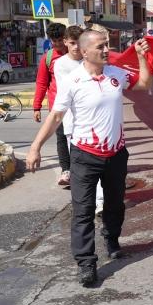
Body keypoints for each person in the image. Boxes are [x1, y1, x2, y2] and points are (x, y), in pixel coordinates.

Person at [26, 30, 152, 286]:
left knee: (115, 205)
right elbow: (56, 117)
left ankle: (112, 239)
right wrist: (35, 146)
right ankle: (86, 263)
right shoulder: (72, 81)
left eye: (107, 46)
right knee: (83, 211)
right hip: (84, 155)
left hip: (116, 154)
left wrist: (141, 57)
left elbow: (144, 84)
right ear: (84, 52)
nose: (106, 50)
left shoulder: (115, 73)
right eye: (100, 47)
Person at [54, 25, 105, 216]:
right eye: (72, 43)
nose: (75, 47)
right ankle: (83, 202)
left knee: (98, 166)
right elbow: (70, 95)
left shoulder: (93, 60)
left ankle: (100, 202)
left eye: (78, 43)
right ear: (66, 42)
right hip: (73, 125)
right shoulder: (60, 64)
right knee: (80, 170)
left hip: (97, 124)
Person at [32, 23, 71, 187]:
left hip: (79, 105)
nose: (58, 44)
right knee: (61, 138)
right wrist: (37, 106)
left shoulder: (77, 53)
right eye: (54, 41)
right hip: (58, 106)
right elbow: (41, 83)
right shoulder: (48, 58)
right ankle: (66, 171)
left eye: (61, 40)